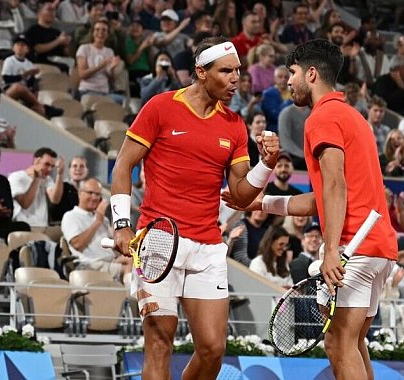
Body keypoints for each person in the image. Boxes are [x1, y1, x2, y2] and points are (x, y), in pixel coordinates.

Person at [109, 37, 280, 380]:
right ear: (201, 72)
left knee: (213, 349)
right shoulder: (160, 107)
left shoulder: (234, 124)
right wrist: (121, 224)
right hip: (158, 242)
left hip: (207, 247)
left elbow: (241, 195)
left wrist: (267, 164)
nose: (236, 79)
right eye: (226, 71)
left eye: (238, 71)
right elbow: (123, 164)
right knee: (160, 343)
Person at [242, 39, 398, 380]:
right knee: (351, 343)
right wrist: (263, 202)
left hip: (354, 246)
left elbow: (335, 186)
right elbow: (322, 197)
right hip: (378, 246)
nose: (288, 81)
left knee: (339, 343)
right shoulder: (353, 117)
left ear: (311, 74)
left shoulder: (322, 117)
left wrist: (330, 251)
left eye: (292, 73)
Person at [62, 178, 130, 282]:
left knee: (137, 261)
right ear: (80, 193)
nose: (94, 197)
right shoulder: (70, 216)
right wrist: (97, 222)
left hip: (110, 261)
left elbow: (114, 244)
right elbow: (77, 244)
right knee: (131, 269)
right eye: (90, 193)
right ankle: (128, 291)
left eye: (97, 194)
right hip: (90, 264)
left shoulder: (104, 219)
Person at [9, 148, 63, 228]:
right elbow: (25, 204)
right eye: (47, 164)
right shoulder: (16, 177)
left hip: (42, 226)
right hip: (23, 227)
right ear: (36, 161)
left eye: (52, 166)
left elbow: (55, 199)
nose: (49, 169)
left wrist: (60, 174)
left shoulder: (47, 179)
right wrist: (37, 179)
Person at [76, 19, 124, 105]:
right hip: (87, 90)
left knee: (123, 101)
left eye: (104, 30)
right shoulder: (84, 48)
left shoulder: (109, 52)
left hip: (104, 92)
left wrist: (112, 70)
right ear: (93, 32)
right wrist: (101, 65)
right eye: (97, 29)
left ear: (107, 34)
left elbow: (111, 81)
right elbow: (82, 74)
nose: (100, 32)